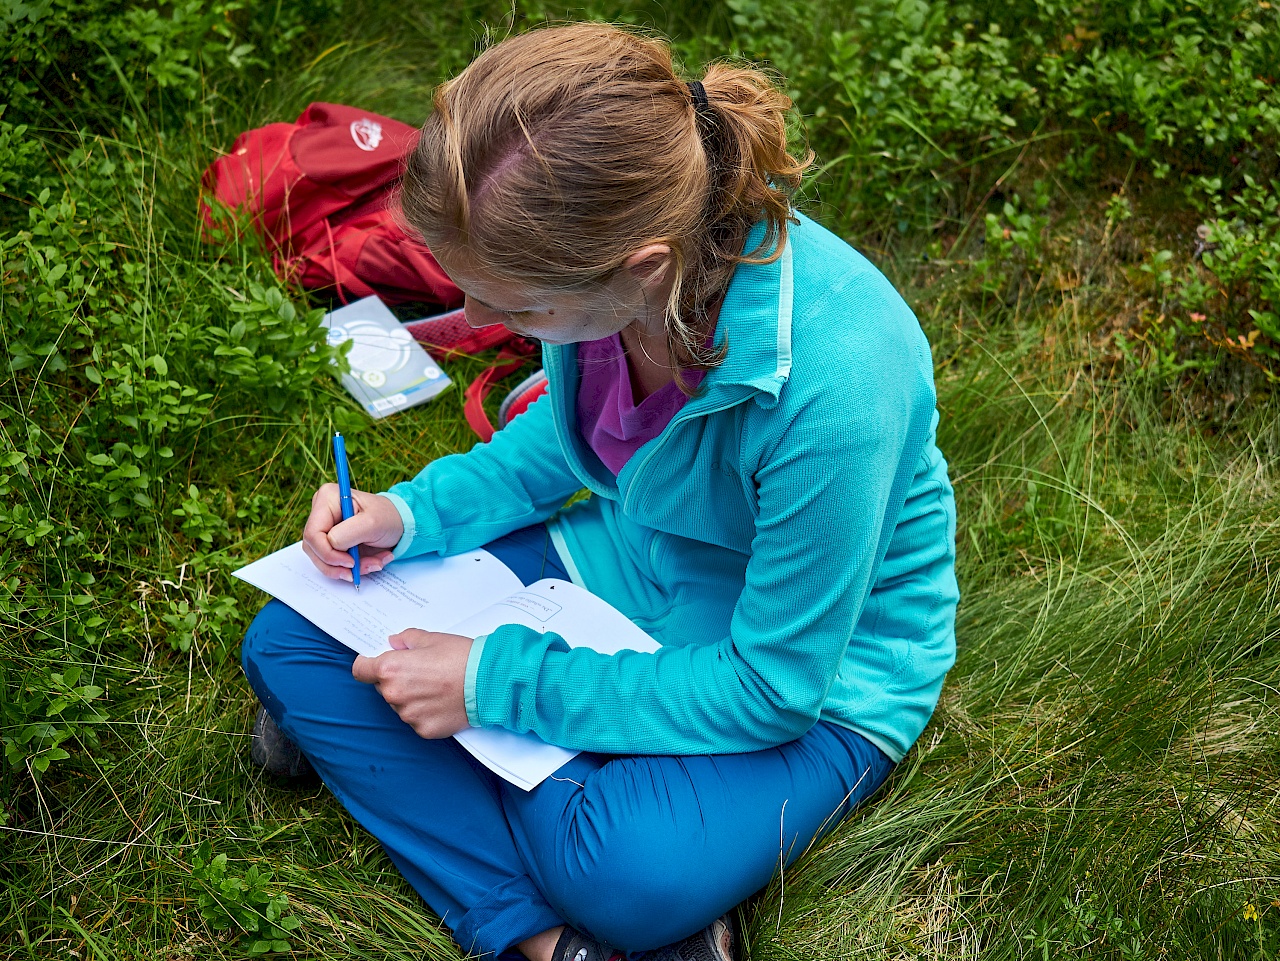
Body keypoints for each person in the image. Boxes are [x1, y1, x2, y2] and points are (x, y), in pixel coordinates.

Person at [239, 21, 958, 961]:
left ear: (642, 267)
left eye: (519, 308)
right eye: (473, 292)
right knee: (291, 634)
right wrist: (411, 515)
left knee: (621, 866)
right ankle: (549, 941)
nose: (481, 324)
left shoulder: (843, 378)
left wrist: (497, 681)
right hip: (624, 562)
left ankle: (452, 794)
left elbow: (776, 686)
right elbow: (572, 437)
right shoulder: (613, 286)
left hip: (809, 673)